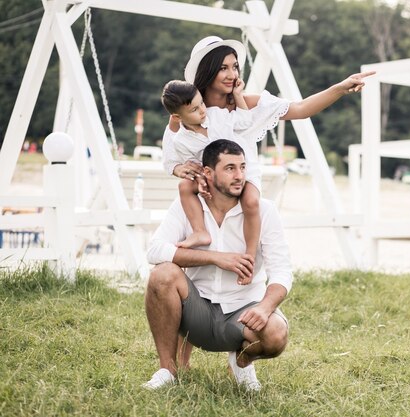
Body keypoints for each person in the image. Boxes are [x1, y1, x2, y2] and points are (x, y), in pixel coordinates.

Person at [162, 35, 374, 257]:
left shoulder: (247, 103)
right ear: (207, 70)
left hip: (242, 177)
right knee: (185, 191)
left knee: (252, 202)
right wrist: (178, 169)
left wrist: (340, 88)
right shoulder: (189, 110)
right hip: (210, 184)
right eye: (223, 68)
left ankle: (251, 254)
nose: (232, 74)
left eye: (235, 67)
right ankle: (201, 239)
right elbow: (172, 143)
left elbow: (301, 109)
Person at [143, 139, 292, 391]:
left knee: (277, 333)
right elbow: (155, 250)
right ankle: (167, 370)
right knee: (162, 274)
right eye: (230, 168)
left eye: (243, 167)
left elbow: (282, 271)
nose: (240, 176)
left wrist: (265, 307)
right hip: (196, 309)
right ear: (209, 173)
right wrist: (216, 258)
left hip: (242, 312)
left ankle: (242, 361)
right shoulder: (188, 206)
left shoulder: (264, 211)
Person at [161, 80, 261, 285]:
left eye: (202, 104)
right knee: (184, 186)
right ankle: (200, 231)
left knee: (251, 201)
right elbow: (194, 165)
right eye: (195, 109)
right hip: (212, 178)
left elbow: (244, 122)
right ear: (178, 117)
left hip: (239, 170)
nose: (202, 111)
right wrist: (200, 180)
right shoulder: (181, 141)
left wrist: (238, 95)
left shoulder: (216, 116)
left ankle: (250, 257)